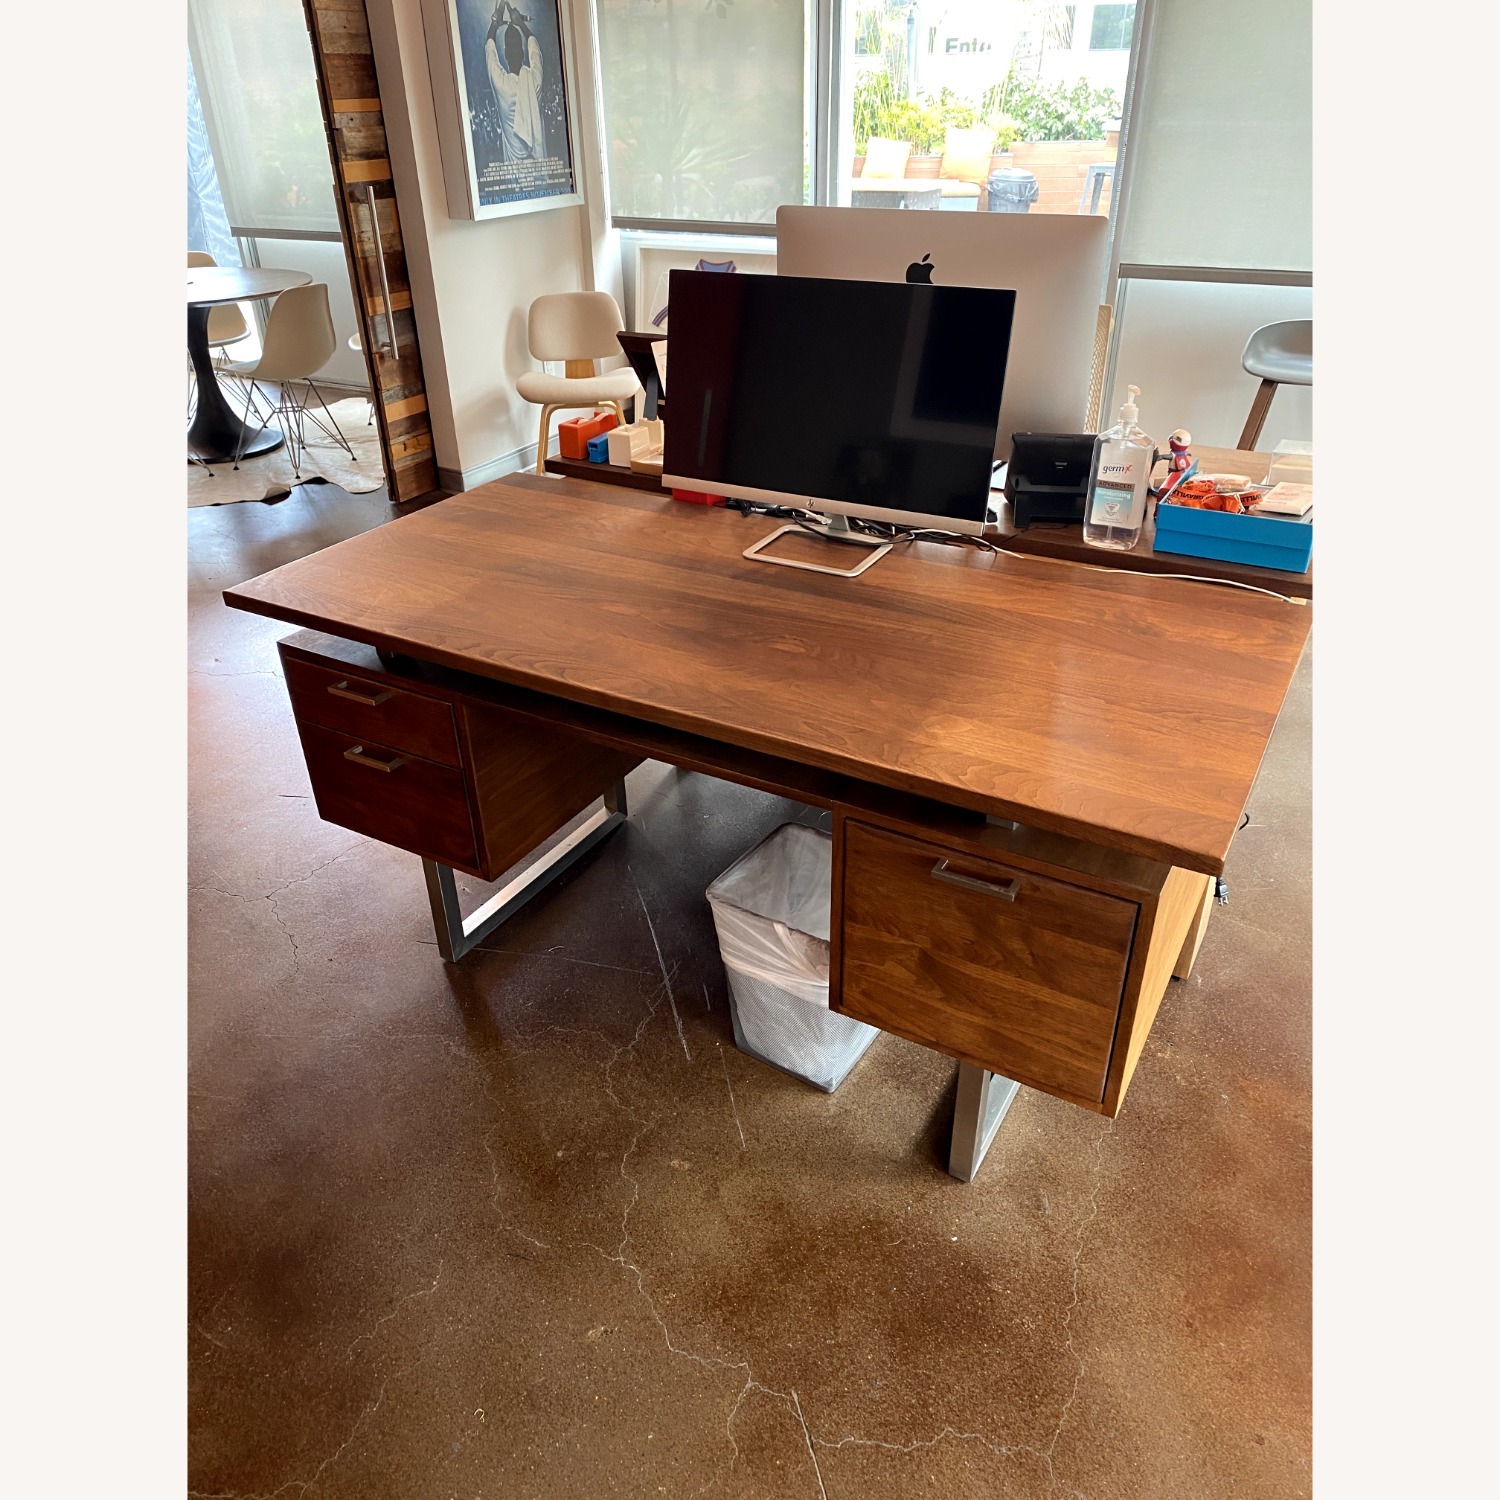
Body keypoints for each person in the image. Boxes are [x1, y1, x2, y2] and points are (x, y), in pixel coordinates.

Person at [485, 2, 544, 162]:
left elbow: (490, 49)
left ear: (505, 54)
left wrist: (495, 22)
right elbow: (534, 49)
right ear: (523, 53)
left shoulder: (501, 85)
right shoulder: (535, 80)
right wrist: (520, 23)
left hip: (514, 171)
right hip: (539, 168)